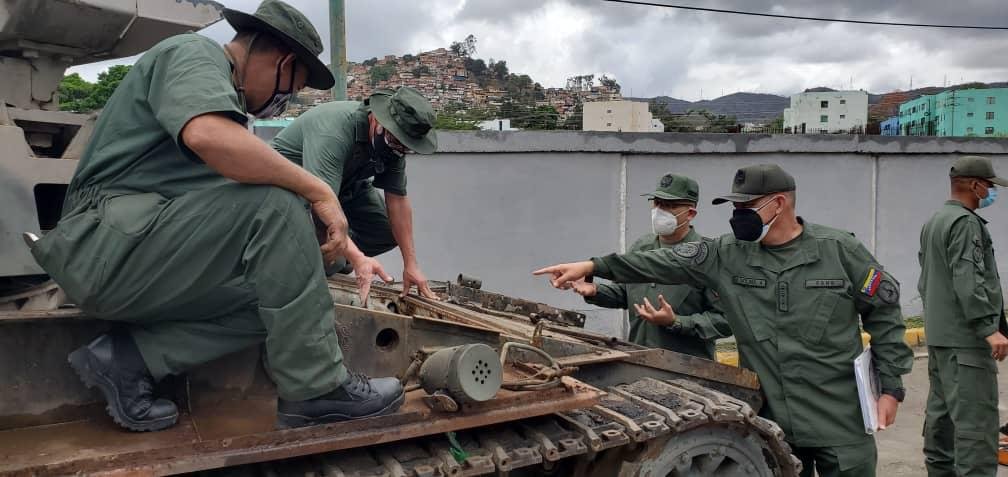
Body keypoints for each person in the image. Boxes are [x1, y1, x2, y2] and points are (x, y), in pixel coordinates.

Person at [27, 0, 403, 432]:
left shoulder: (223, 102)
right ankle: (317, 389)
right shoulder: (192, 53)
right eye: (288, 91)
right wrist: (317, 190)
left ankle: (129, 359)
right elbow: (209, 136)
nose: (282, 105)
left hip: (136, 251)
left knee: (285, 290)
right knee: (275, 204)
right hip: (102, 248)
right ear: (281, 61)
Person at [534, 163, 914, 477]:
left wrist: (890, 388)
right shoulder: (727, 254)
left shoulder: (839, 251)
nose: (737, 215)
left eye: (746, 206)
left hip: (840, 421)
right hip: (771, 421)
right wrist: (593, 266)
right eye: (734, 206)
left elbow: (884, 313)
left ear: (779, 204)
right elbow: (662, 261)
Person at [271, 87, 438, 300]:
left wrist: (411, 264)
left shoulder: (394, 146)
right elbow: (320, 201)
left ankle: (327, 255)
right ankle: (314, 261)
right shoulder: (334, 130)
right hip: (294, 191)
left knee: (384, 232)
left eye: (406, 147)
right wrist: (358, 258)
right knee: (334, 260)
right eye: (397, 141)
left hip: (344, 187)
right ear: (378, 121)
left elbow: (397, 199)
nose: (399, 150)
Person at [571, 173, 731, 359]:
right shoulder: (643, 247)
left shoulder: (706, 257)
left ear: (690, 213)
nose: (660, 210)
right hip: (641, 360)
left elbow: (726, 321)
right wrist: (594, 291)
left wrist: (677, 322)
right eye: (657, 203)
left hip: (687, 372)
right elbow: (625, 294)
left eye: (670, 206)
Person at [918, 155, 1008, 476]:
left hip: (941, 339)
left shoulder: (935, 221)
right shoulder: (966, 223)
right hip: (966, 342)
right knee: (976, 429)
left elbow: (927, 278)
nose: (991, 192)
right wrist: (989, 328)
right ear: (974, 185)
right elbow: (968, 280)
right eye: (988, 185)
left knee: (941, 424)